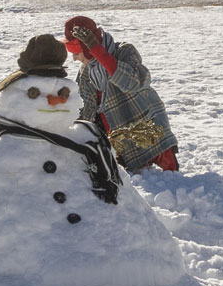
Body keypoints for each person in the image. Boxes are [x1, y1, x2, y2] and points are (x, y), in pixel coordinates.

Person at [64, 15, 180, 172]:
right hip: (119, 138)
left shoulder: (124, 52)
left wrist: (98, 51)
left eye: (76, 52)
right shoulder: (87, 71)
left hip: (147, 127)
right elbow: (83, 106)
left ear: (88, 48)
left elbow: (133, 82)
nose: (74, 58)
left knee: (170, 180)